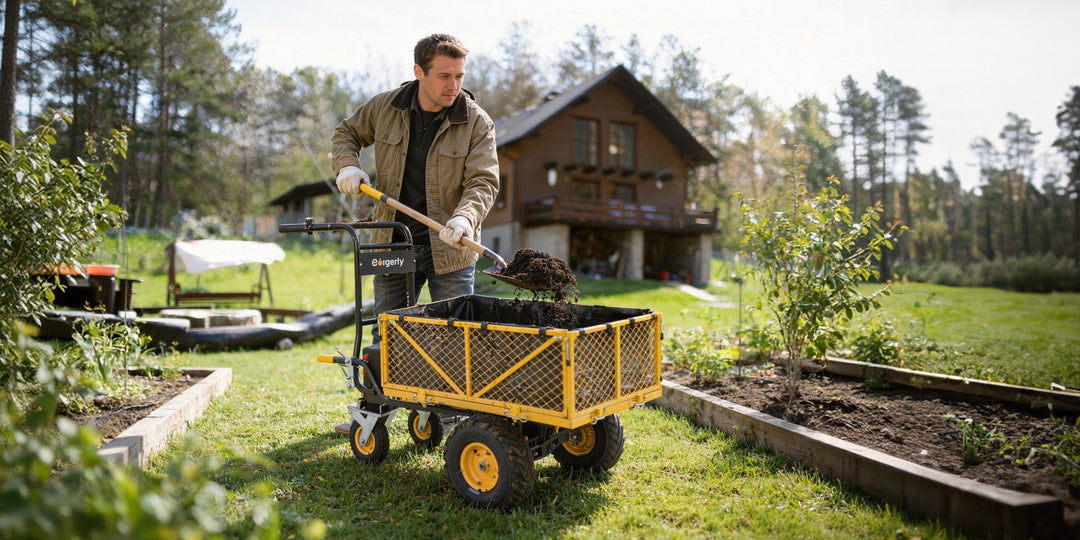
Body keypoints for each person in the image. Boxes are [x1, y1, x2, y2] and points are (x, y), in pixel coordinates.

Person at [331, 33, 499, 341]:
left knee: (457, 342)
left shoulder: (477, 122)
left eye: (459, 76)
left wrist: (465, 218)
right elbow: (346, 133)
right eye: (444, 76)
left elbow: (483, 181)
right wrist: (348, 166)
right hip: (392, 243)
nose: (454, 86)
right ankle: (379, 392)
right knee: (388, 338)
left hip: (450, 251)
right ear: (418, 72)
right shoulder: (385, 107)